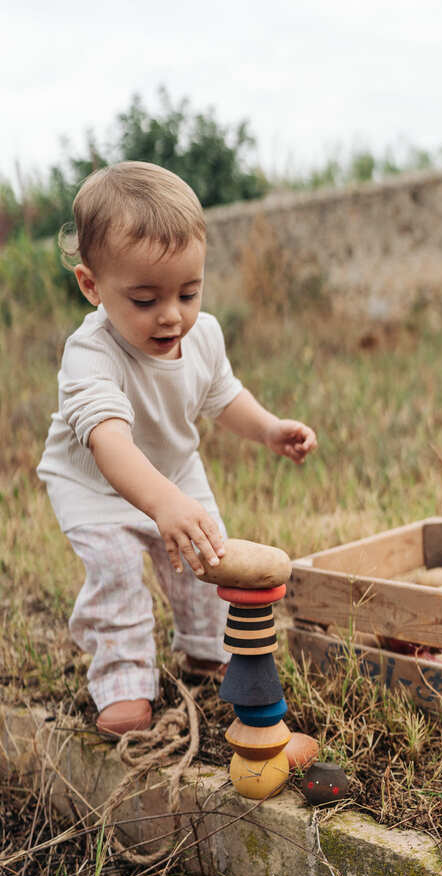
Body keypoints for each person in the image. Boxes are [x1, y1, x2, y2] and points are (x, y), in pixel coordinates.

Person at [37, 161, 317, 738]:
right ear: (92, 286)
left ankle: (206, 646)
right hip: (93, 484)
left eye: (189, 292)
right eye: (144, 300)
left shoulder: (203, 334)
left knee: (205, 558)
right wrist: (162, 505)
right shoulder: (90, 355)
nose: (172, 315)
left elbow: (222, 394)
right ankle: (123, 679)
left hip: (175, 471)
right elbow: (109, 442)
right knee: (115, 570)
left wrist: (267, 428)